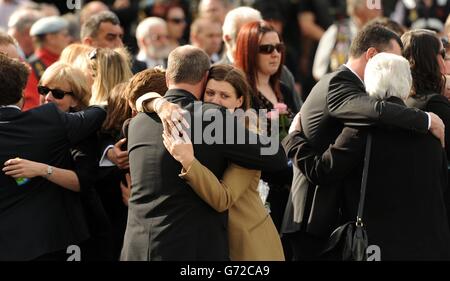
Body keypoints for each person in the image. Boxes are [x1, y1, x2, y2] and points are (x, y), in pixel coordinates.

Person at [282, 23, 445, 260]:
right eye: (395, 59)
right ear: (372, 55)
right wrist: (425, 120)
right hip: (312, 218)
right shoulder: (340, 83)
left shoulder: (347, 85)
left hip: (327, 218)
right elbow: (375, 110)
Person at [120, 45, 287, 261]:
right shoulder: (212, 118)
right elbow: (277, 157)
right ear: (204, 78)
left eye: (224, 95)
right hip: (189, 250)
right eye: (211, 92)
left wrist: (154, 102)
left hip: (136, 248)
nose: (216, 101)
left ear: (168, 77)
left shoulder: (136, 124)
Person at [0, 53, 105, 261]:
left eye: (57, 93)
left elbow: (84, 180)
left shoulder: (52, 122)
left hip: (58, 240)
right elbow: (98, 112)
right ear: (23, 92)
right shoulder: (49, 121)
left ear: (75, 98)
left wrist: (41, 169)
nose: (48, 98)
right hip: (44, 241)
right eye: (43, 90)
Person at [23, 15, 71, 111]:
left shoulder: (65, 61)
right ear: (51, 38)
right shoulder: (31, 68)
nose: (69, 39)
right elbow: (31, 106)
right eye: (65, 34)